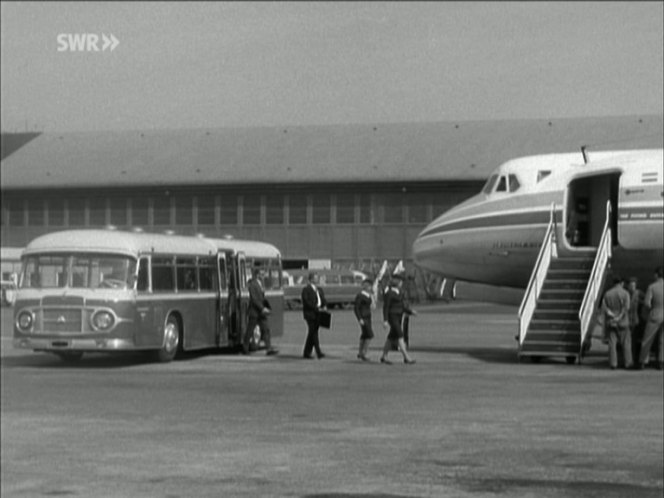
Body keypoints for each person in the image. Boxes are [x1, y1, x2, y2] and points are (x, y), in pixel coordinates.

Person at [380, 274, 416, 365]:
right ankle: (406, 357)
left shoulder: (399, 292)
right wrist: (385, 320)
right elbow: (386, 307)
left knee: (391, 337)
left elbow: (401, 306)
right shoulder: (389, 293)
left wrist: (410, 311)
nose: (401, 283)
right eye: (400, 281)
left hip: (399, 316)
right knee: (400, 335)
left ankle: (384, 356)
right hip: (392, 317)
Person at [243, 268, 278, 356]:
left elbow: (262, 298)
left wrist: (266, 307)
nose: (263, 276)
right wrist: (262, 308)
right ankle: (245, 348)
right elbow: (254, 299)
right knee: (250, 331)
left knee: (266, 329)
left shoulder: (260, 284)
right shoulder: (252, 285)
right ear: (257, 274)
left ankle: (269, 348)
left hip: (261, 313)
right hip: (254, 312)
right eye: (262, 274)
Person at [602, 275, 632, 370]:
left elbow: (604, 308)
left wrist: (612, 316)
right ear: (621, 283)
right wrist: (619, 317)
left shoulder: (607, 293)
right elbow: (626, 308)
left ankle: (613, 364)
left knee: (612, 344)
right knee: (626, 343)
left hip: (611, 321)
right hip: (623, 322)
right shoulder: (625, 293)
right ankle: (628, 363)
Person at [637, 267, 663, 370]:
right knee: (662, 340)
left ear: (657, 275)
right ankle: (661, 362)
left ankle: (643, 361)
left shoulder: (652, 287)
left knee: (647, 339)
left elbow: (647, 303)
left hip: (655, 314)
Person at [301, 272, 327, 359]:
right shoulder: (306, 289)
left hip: (319, 313)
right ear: (311, 279)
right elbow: (306, 302)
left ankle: (306, 352)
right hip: (310, 314)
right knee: (313, 332)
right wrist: (316, 308)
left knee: (312, 333)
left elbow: (323, 299)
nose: (317, 279)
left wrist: (325, 306)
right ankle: (318, 352)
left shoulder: (319, 289)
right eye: (316, 278)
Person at [354, 278, 374, 361]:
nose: (370, 288)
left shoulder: (368, 295)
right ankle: (363, 353)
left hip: (368, 316)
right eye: (369, 286)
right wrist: (360, 318)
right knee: (369, 335)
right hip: (363, 316)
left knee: (364, 334)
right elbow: (356, 308)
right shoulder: (360, 295)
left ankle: (360, 352)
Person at [626, 277, 645, 361]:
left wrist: (640, 301)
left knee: (635, 340)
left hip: (636, 320)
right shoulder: (626, 294)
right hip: (627, 321)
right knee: (629, 341)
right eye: (631, 285)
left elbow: (646, 302)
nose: (632, 287)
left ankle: (635, 358)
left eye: (634, 285)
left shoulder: (639, 293)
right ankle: (630, 359)